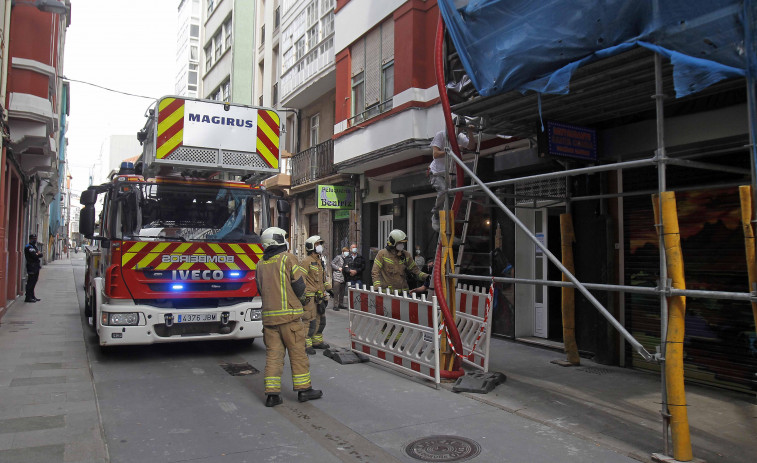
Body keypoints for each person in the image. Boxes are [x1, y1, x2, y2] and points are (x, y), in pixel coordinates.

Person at [256, 227, 322, 407]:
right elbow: (300, 286)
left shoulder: (260, 264)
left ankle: (272, 395)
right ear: (278, 240)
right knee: (298, 354)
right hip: (290, 319)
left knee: (273, 356)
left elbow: (260, 289)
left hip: (269, 320)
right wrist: (300, 302)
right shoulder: (287, 258)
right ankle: (304, 390)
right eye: (284, 237)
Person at [429, 126, 476, 231]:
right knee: (443, 190)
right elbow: (435, 154)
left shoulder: (460, 137)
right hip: (437, 173)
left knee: (452, 196)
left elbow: (471, 146)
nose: (458, 132)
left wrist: (470, 132)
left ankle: (447, 225)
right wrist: (452, 150)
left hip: (451, 173)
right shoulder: (441, 135)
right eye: (457, 129)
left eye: (461, 130)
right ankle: (436, 214)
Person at [302, 235, 332, 354]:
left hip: (320, 296)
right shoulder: (306, 261)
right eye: (317, 244)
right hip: (310, 297)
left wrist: (329, 289)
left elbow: (323, 279)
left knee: (321, 320)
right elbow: (301, 279)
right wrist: (303, 295)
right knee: (309, 320)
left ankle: (317, 341)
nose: (320, 246)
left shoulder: (319, 261)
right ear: (311, 247)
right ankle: (306, 344)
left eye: (320, 244)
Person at [24, 234, 43, 303]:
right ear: (30, 239)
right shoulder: (29, 247)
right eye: (33, 238)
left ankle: (32, 296)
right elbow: (35, 256)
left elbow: (41, 254)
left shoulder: (34, 247)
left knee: (34, 281)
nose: (34, 240)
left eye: (35, 238)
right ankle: (28, 297)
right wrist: (37, 254)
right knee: (30, 282)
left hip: (36, 266)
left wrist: (38, 254)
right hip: (31, 266)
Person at [331, 246, 349, 311]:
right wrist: (338, 268)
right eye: (346, 252)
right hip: (337, 276)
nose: (347, 253)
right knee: (336, 291)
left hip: (344, 277)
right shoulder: (338, 257)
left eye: (348, 252)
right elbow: (332, 263)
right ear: (343, 252)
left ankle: (341, 304)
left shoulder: (347, 258)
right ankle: (335, 305)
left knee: (342, 291)